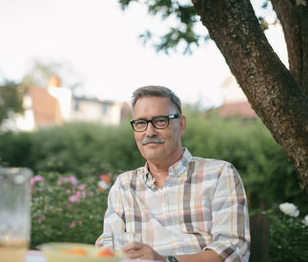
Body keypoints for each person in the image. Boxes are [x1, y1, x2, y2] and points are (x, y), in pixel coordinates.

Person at [96, 86, 250, 262]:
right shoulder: (124, 185)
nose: (150, 132)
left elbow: (232, 249)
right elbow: (108, 246)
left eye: (160, 121)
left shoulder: (219, 174)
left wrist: (165, 260)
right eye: (140, 123)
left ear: (181, 124)